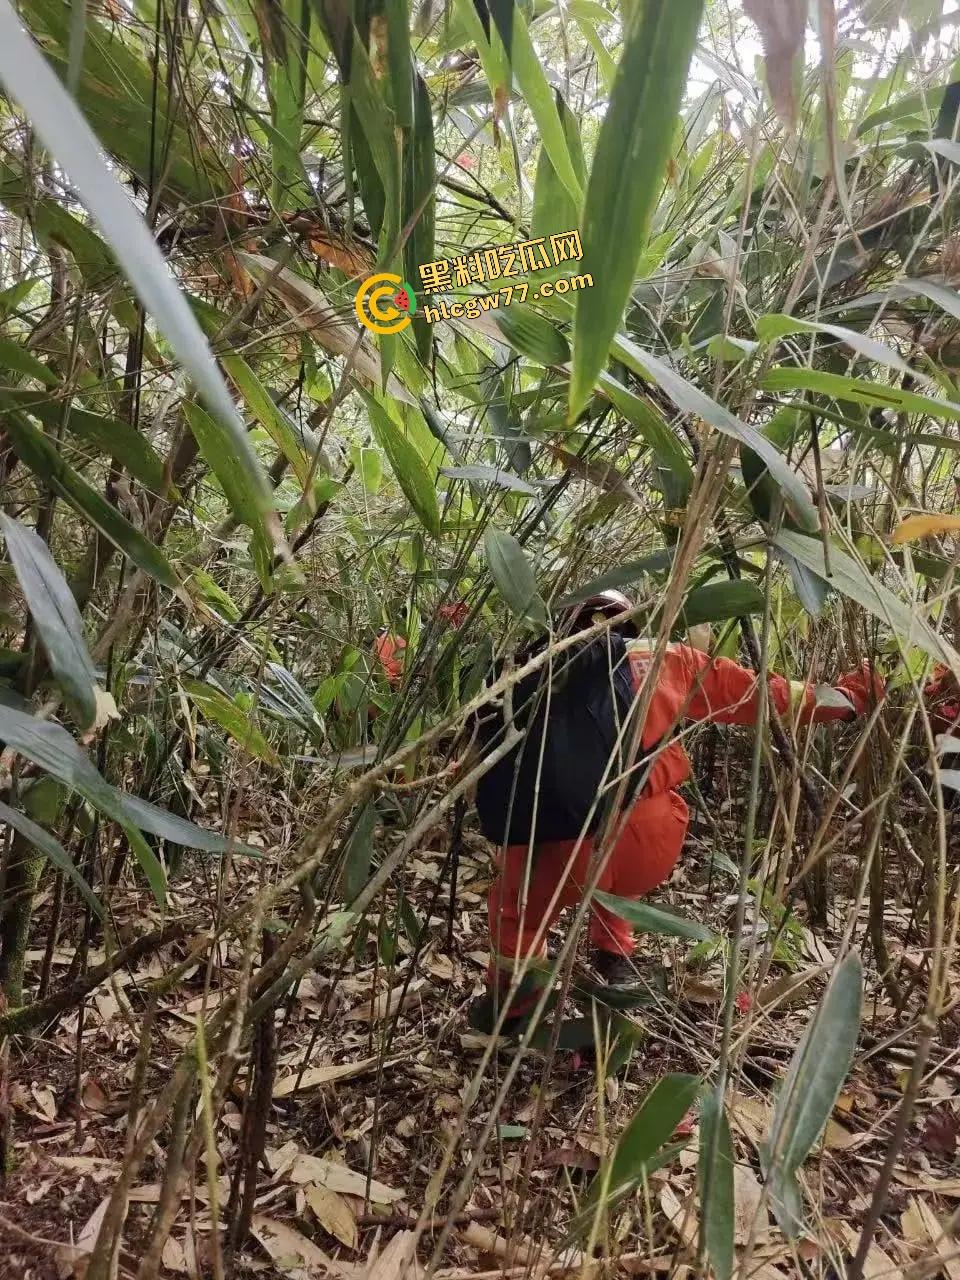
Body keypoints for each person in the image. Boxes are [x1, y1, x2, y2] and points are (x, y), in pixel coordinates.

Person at [483, 590, 884, 1026]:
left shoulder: (526, 668)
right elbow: (766, 696)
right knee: (621, 861)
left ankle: (515, 1010)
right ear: (630, 619)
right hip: (648, 841)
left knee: (518, 914)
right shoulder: (663, 659)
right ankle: (615, 956)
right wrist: (849, 697)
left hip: (558, 848)